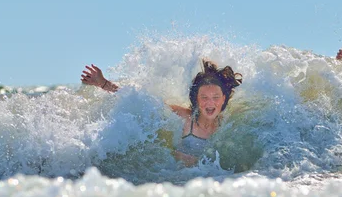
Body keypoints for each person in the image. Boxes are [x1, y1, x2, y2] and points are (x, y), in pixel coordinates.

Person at [80, 59, 242, 166]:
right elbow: (142, 102)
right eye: (204, 97)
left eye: (215, 97)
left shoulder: (228, 125)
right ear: (196, 100)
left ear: (223, 99)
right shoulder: (184, 118)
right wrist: (104, 84)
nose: (210, 102)